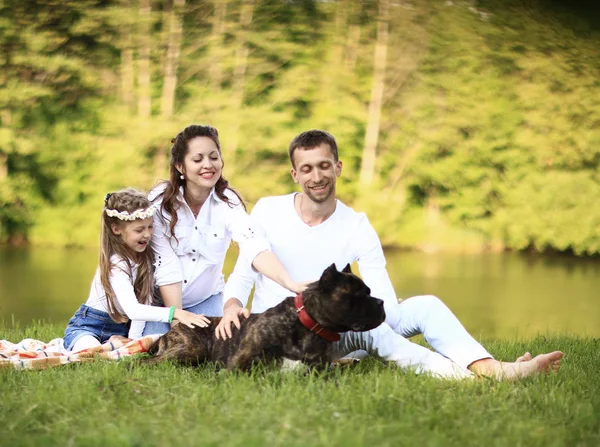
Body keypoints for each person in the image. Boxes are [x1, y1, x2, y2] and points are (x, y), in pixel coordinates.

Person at [216, 130, 563, 380]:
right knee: (379, 334)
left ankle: (485, 366)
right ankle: (489, 377)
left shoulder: (357, 224)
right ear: (295, 174)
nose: (317, 176)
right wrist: (232, 303)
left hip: (337, 334)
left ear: (338, 167)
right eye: (307, 169)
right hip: (283, 332)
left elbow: (381, 298)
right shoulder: (267, 210)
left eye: (324, 166)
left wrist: (385, 309)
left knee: (421, 306)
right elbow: (245, 271)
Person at [141, 125, 306, 337]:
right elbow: (166, 266)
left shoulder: (229, 203)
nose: (208, 165)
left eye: (214, 157)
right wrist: (176, 320)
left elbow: (254, 246)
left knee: (217, 350)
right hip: (161, 304)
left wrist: (289, 282)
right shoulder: (159, 201)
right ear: (181, 166)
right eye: (198, 159)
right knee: (153, 346)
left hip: (206, 301)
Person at [64, 189, 209, 353]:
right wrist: (175, 313)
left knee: (130, 350)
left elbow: (142, 304)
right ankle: (102, 346)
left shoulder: (145, 259)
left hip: (120, 328)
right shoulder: (116, 264)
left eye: (150, 227)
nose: (147, 235)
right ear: (117, 229)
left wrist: (132, 341)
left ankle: (114, 345)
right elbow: (133, 309)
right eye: (139, 230)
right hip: (90, 325)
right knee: (89, 351)